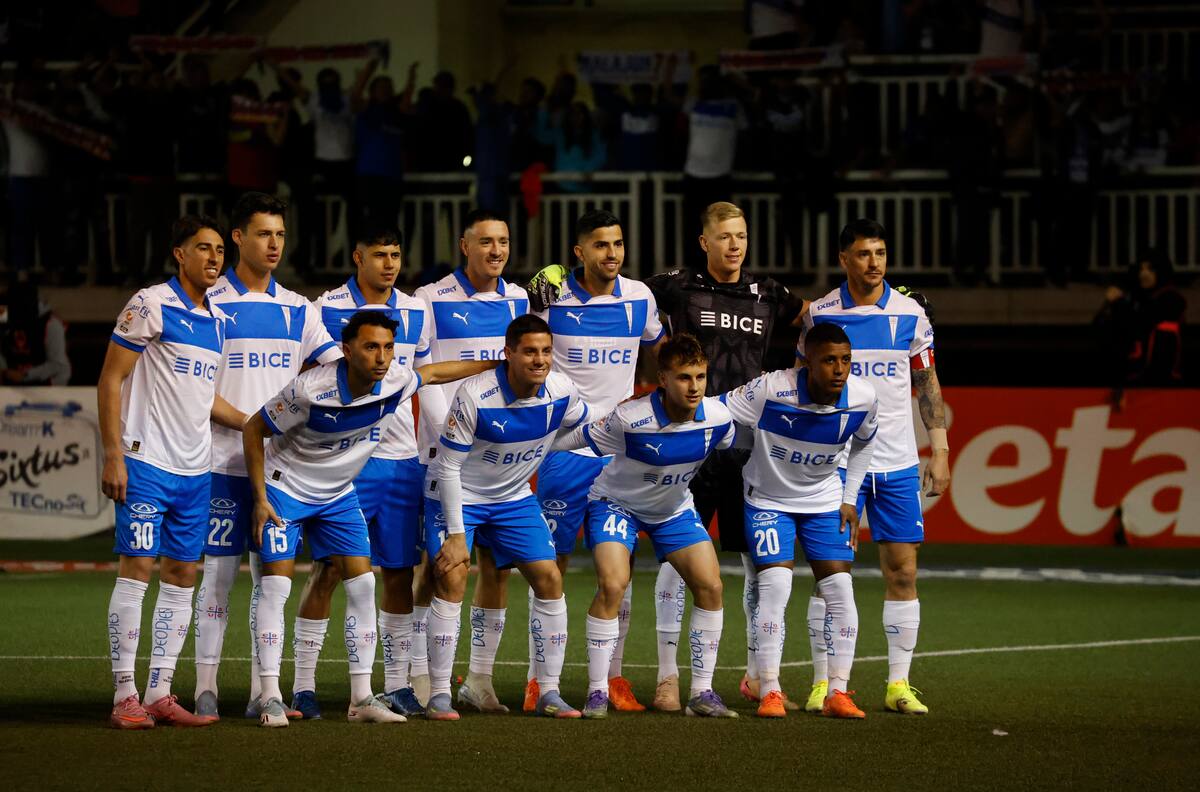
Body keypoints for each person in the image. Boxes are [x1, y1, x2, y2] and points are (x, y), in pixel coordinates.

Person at [241, 311, 493, 727]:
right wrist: (260, 498)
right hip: (286, 490)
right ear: (347, 349)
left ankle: (360, 699)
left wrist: (491, 365)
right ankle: (270, 695)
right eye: (371, 346)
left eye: (389, 348)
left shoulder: (395, 379)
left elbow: (435, 372)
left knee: (363, 584)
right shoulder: (310, 389)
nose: (382, 357)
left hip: (338, 494)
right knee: (276, 586)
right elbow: (254, 429)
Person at [644, 201, 806, 711]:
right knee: (677, 558)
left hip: (748, 449)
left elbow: (819, 320)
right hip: (690, 446)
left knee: (757, 562)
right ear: (704, 243)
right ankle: (669, 677)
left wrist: (887, 304)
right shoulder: (676, 286)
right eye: (725, 236)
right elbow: (616, 296)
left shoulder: (768, 293)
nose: (735, 245)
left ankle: (759, 674)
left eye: (741, 236)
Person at [192, 193, 342, 720]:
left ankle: (265, 690)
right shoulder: (211, 305)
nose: (274, 244)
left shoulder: (299, 309)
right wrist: (254, 425)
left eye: (280, 234)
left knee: (270, 578)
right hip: (219, 461)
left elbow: (337, 366)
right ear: (238, 237)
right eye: (262, 234)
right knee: (217, 576)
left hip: (279, 470)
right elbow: (197, 389)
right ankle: (205, 687)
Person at [98, 215, 243, 729]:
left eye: (220, 251)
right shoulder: (150, 303)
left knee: (183, 576)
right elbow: (111, 378)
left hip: (195, 471)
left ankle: (160, 690)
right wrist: (113, 452)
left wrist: (253, 424)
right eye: (203, 248)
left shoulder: (219, 320)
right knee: (136, 571)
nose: (214, 258)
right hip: (146, 462)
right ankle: (123, 696)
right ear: (179, 254)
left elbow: (204, 399)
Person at [799, 218, 949, 716]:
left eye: (881, 252)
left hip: (899, 463)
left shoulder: (910, 313)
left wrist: (941, 450)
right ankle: (824, 683)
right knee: (830, 573)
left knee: (903, 572)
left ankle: (898, 684)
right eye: (863, 254)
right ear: (844, 260)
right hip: (838, 466)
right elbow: (804, 385)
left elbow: (926, 382)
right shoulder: (821, 315)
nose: (874, 262)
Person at [284, 225, 431, 720]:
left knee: (397, 574)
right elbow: (307, 381)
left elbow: (422, 378)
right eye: (379, 255)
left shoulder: (415, 311)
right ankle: (303, 686)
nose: (389, 264)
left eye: (396, 254)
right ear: (357, 257)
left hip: (402, 462)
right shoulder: (324, 309)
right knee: (327, 571)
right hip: (344, 466)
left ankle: (394, 686)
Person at [522, 209, 665, 713]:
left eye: (619, 244)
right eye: (601, 245)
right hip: (564, 453)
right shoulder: (552, 300)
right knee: (550, 568)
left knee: (618, 572)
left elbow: (660, 356)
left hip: (621, 455)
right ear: (579, 252)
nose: (612, 254)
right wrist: (528, 291)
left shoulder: (640, 298)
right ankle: (542, 680)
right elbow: (521, 347)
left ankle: (615, 677)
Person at [553, 333, 738, 719]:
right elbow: (574, 439)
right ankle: (597, 692)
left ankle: (702, 693)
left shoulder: (719, 419)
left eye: (701, 377)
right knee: (613, 585)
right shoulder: (629, 418)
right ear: (663, 379)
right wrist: (525, 451)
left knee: (711, 585)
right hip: (616, 505)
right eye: (684, 377)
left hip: (672, 510)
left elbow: (730, 445)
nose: (694, 387)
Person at [424, 315, 590, 721]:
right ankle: (440, 694)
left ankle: (548, 691)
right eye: (530, 351)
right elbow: (447, 467)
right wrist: (458, 536)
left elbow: (579, 429)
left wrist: (545, 446)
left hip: (513, 498)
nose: (540, 360)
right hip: (458, 493)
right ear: (508, 354)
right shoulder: (476, 394)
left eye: (546, 351)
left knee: (549, 578)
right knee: (454, 575)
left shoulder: (562, 391)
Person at [725, 322, 878, 718]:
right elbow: (718, 411)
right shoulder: (772, 389)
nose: (840, 369)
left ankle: (838, 692)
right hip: (768, 500)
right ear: (806, 361)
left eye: (846, 360)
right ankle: (770, 690)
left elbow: (863, 445)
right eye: (829, 361)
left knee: (841, 591)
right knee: (775, 587)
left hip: (824, 501)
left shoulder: (862, 397)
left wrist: (849, 499)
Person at [411, 210, 530, 710]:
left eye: (503, 241)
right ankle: (419, 674)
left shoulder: (518, 298)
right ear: (464, 245)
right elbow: (424, 374)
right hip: (446, 454)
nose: (496, 251)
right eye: (486, 242)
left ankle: (478, 680)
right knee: (436, 566)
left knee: (496, 570)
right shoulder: (430, 299)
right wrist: (448, 437)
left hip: (500, 459)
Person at [0, 282, 71, 385]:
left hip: (49, 383)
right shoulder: (6, 312)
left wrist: (26, 375)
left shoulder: (51, 324)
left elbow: (57, 364)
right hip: (15, 379)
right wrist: (4, 370)